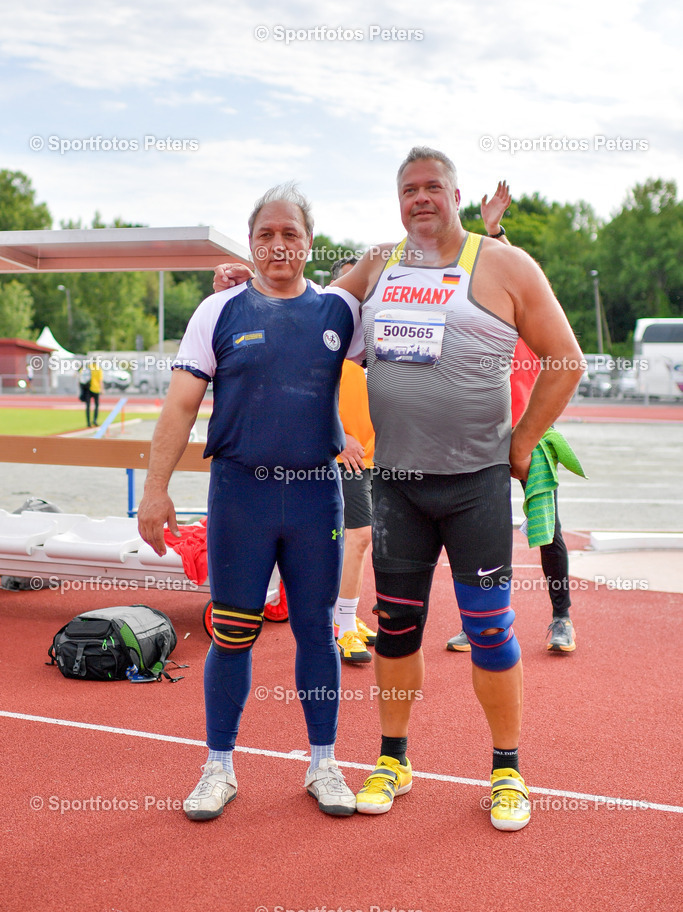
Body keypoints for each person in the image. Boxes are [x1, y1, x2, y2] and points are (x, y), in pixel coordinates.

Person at [214, 149, 584, 832]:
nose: (420, 198)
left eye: (431, 188)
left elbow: (566, 359)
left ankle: (506, 770)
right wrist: (251, 285)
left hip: (473, 484)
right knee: (396, 630)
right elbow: (309, 311)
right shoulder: (379, 261)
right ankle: (392, 759)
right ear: (397, 199)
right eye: (408, 189)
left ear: (453, 193)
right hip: (397, 488)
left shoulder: (503, 264)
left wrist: (522, 441)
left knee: (490, 631)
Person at [138, 184, 365, 821]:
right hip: (240, 495)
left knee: (317, 633)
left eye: (289, 233)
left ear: (309, 243)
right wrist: (156, 491)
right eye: (265, 234)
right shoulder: (219, 312)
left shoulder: (340, 314)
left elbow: (406, 310)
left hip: (317, 496)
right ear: (252, 242)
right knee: (233, 633)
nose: (277, 245)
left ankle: (324, 763)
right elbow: (180, 408)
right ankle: (219, 766)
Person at [446, 185, 577, 655]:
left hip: (533, 434)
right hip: (485, 434)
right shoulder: (484, 318)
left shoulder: (535, 316)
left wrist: (495, 230)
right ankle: (478, 621)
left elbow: (509, 264)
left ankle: (561, 619)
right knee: (482, 533)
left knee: (549, 529)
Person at [329, 256, 378, 664]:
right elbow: (308, 393)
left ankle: (347, 616)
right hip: (345, 454)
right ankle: (342, 625)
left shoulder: (373, 336)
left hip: (372, 453)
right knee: (358, 538)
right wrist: (339, 437)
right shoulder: (327, 335)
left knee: (360, 541)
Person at [80, 359, 103, 428]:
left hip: (88, 388)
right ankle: (95, 420)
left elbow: (81, 376)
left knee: (88, 406)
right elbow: (100, 380)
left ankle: (88, 422)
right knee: (96, 405)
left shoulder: (88, 368)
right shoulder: (98, 369)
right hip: (96, 389)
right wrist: (102, 389)